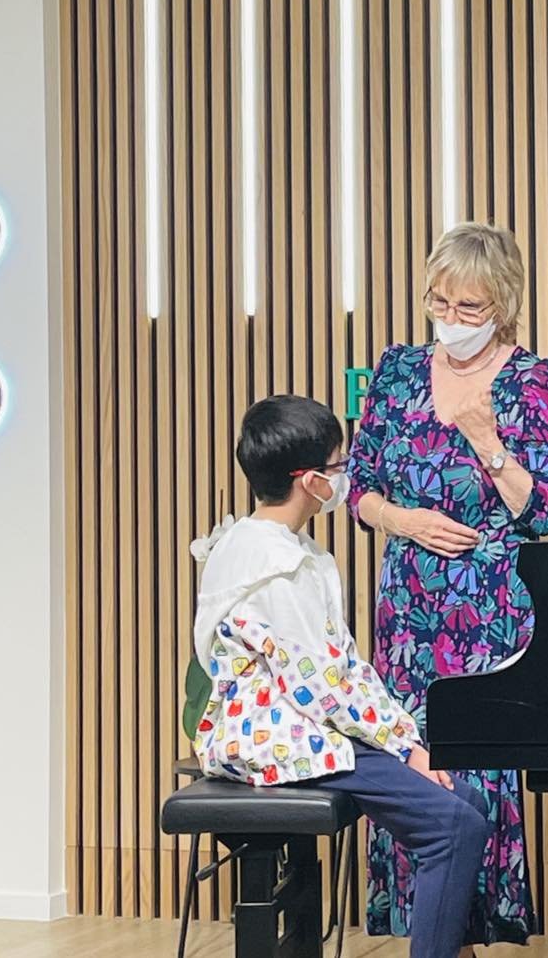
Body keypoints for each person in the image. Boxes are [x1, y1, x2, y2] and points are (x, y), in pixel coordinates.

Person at [190, 393, 488, 958]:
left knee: (466, 802)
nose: (346, 477)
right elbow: (322, 683)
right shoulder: (270, 565)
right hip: (273, 735)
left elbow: (341, 668)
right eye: (338, 466)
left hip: (304, 722)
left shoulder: (288, 547)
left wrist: (406, 741)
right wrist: (406, 749)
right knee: (454, 827)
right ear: (309, 482)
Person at [347, 222, 548, 949]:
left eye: (468, 307)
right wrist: (406, 520)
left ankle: (467, 931)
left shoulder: (537, 380)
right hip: (408, 610)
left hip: (488, 612)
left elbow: (544, 512)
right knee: (411, 766)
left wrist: (487, 441)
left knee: (475, 773)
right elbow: (358, 491)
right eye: (439, 301)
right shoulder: (398, 370)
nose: (450, 318)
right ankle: (430, 939)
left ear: (503, 304)